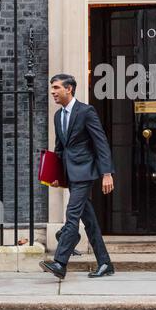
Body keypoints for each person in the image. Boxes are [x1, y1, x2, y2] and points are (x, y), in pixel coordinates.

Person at [39, 74, 115, 280]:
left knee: (72, 215)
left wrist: (106, 173)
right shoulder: (58, 116)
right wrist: (56, 176)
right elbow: (60, 149)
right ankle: (105, 263)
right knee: (89, 220)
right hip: (70, 174)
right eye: (52, 88)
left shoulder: (86, 111)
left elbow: (100, 142)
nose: (53, 92)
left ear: (69, 89)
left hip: (85, 172)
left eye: (56, 87)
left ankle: (60, 262)